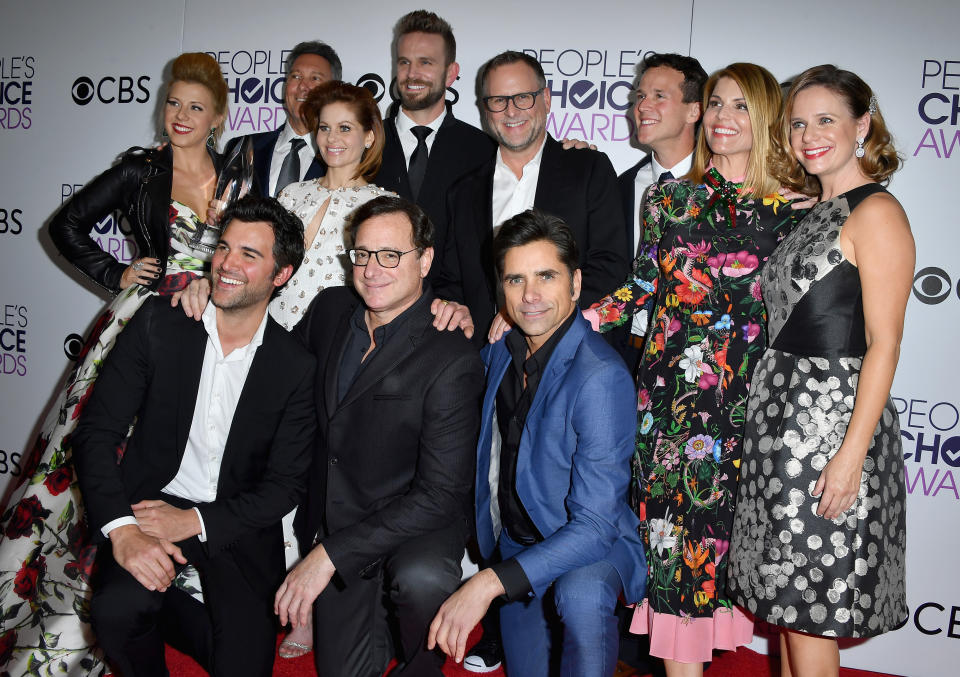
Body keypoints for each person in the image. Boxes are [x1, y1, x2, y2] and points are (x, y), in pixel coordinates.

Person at [0, 52, 229, 676]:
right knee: (99, 454)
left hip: (204, 333)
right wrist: (115, 273)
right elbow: (67, 225)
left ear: (217, 118)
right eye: (173, 103)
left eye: (195, 107)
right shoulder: (141, 169)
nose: (179, 116)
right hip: (138, 328)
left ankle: (166, 585)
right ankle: (62, 611)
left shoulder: (237, 174)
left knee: (174, 456)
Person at [589, 63, 801, 676]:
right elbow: (641, 287)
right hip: (673, 405)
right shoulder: (670, 197)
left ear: (765, 118)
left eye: (739, 106)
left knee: (763, 560)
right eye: (714, 104)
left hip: (755, 408)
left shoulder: (797, 210)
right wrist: (570, 323)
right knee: (676, 559)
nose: (721, 118)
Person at [72, 196, 315, 677]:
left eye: (250, 254)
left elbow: (285, 486)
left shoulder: (294, 365)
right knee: (116, 612)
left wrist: (197, 521)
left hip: (232, 521)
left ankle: (168, 613)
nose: (227, 263)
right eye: (224, 247)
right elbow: (96, 433)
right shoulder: (160, 325)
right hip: (147, 509)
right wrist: (122, 531)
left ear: (281, 275)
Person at [728, 65, 912, 676]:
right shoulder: (814, 210)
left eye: (825, 120)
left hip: (830, 430)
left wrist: (850, 454)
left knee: (809, 612)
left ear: (863, 125)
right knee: (787, 610)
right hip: (781, 428)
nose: (808, 134)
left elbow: (884, 344)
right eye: (798, 123)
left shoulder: (878, 212)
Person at [427, 210, 646, 676]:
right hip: (516, 545)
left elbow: (592, 527)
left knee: (582, 595)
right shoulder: (499, 353)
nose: (530, 297)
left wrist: (486, 584)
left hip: (586, 547)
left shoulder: (600, 377)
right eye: (515, 280)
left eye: (546, 276)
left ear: (575, 282)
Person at [273, 196, 483, 677]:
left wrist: (328, 555)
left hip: (417, 522)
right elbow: (275, 365)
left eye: (391, 255)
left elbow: (441, 493)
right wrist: (217, 303)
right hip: (340, 515)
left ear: (425, 260)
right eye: (362, 254)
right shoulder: (330, 310)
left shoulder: (450, 354)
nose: (372, 269)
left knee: (421, 581)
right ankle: (380, 626)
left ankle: (421, 664)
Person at [436, 50, 628, 344]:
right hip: (484, 360)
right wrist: (452, 305)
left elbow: (610, 265)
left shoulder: (589, 169)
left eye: (523, 97)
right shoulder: (463, 191)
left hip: (568, 354)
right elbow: (452, 281)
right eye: (498, 101)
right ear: (485, 108)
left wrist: (534, 314)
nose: (511, 111)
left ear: (546, 99)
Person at [374, 9, 496, 273]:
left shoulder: (484, 150)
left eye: (425, 63)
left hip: (455, 308)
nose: (412, 73)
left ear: (451, 73)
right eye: (404, 62)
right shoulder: (366, 143)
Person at [617, 53, 707, 375]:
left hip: (697, 362)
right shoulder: (619, 188)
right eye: (640, 96)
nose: (642, 106)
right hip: (624, 354)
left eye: (658, 96)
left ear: (694, 110)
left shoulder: (724, 191)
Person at [226, 41, 340, 197]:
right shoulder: (243, 148)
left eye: (315, 78)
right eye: (296, 76)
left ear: (334, 90)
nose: (303, 86)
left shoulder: (344, 157)